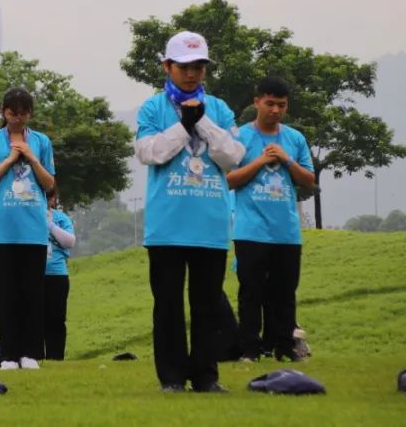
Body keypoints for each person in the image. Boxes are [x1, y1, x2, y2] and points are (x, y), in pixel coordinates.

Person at [134, 30, 244, 393]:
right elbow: (150, 152)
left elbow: (233, 155)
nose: (192, 73)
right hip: (167, 226)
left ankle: (206, 376)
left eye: (199, 66)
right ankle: (171, 378)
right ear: (167, 66)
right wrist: (183, 125)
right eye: (183, 66)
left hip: (210, 225)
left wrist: (202, 121)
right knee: (167, 305)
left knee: (207, 306)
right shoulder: (153, 108)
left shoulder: (221, 108)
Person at [227, 76, 315, 363]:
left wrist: (287, 160)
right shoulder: (240, 137)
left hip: (286, 231)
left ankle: (284, 346)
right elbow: (228, 179)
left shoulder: (294, 138)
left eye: (282, 105)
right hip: (250, 230)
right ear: (256, 102)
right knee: (250, 292)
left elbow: (308, 181)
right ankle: (250, 350)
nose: (276, 110)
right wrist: (260, 162)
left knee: (284, 293)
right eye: (270, 103)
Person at [0, 88, 56, 371]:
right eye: (12, 113)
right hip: (3, 230)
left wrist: (32, 158)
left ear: (30, 114)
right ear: (3, 112)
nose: (17, 119)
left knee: (33, 293)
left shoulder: (42, 142)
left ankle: (31, 353)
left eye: (23, 113)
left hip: (33, 229)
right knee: (6, 294)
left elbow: (49, 184)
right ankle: (9, 354)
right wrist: (10, 160)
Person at [43, 187, 75, 360]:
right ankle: (34, 356)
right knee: (35, 318)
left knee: (56, 319)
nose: (47, 201)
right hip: (33, 275)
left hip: (57, 274)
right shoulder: (29, 217)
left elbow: (69, 241)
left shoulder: (61, 218)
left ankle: (55, 358)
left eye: (49, 198)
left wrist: (50, 225)